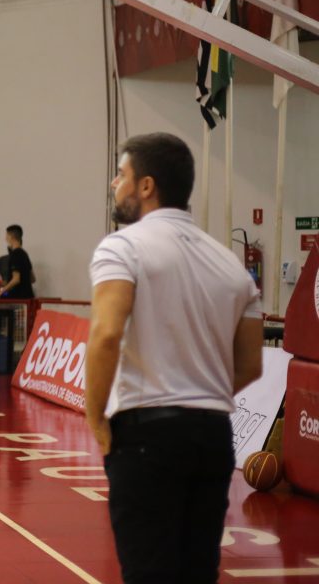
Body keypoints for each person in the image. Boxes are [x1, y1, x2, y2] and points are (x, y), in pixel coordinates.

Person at [85, 133, 263, 584]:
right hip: (213, 436)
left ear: (146, 186)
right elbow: (250, 366)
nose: (114, 184)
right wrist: (198, 394)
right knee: (197, 573)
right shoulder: (230, 264)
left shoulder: (122, 247)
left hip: (147, 435)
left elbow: (106, 334)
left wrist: (96, 417)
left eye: (121, 175)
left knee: (149, 573)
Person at [1, 224, 34, 299]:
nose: (5, 239)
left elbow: (16, 279)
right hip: (29, 296)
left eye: (6, 236)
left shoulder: (15, 254)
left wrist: (1, 291)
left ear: (11, 237)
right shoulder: (24, 254)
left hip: (18, 298)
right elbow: (32, 279)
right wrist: (5, 283)